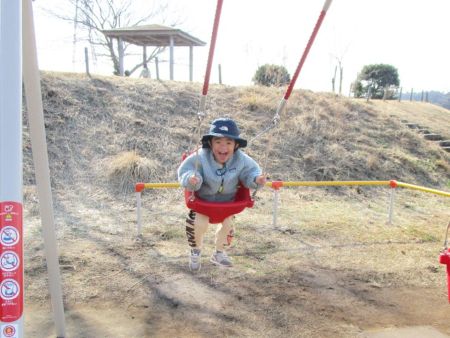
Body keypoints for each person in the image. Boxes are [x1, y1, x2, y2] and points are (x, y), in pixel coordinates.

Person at [178, 117, 267, 272]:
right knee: (198, 224)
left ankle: (219, 252)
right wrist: (192, 179)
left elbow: (250, 172)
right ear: (210, 143)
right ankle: (196, 250)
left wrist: (256, 179)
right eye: (218, 142)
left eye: (228, 142)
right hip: (202, 202)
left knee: (228, 226)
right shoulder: (200, 156)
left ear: (236, 145)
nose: (223, 147)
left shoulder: (241, 159)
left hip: (227, 203)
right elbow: (186, 170)